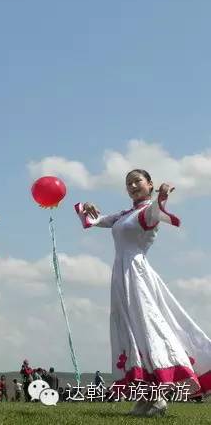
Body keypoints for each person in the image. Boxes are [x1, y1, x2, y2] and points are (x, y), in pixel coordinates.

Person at [76, 169, 211, 417]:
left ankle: (159, 397)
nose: (132, 185)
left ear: (150, 184)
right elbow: (98, 220)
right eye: (128, 183)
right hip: (121, 277)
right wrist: (88, 207)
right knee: (131, 333)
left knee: (147, 329)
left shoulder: (148, 212)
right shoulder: (126, 214)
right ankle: (146, 397)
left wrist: (163, 196)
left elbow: (156, 212)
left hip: (137, 275)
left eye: (137, 181)